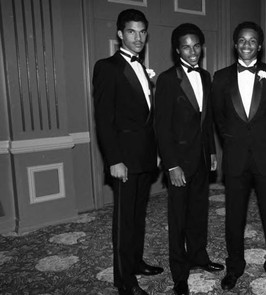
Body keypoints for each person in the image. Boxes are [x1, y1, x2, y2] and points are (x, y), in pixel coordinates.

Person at [211, 21, 266, 293]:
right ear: (234, 44)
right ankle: (234, 268)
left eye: (252, 40)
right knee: (234, 217)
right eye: (242, 40)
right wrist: (235, 141)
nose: (246, 45)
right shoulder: (220, 77)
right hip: (235, 159)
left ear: (260, 44)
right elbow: (218, 119)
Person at [92, 9, 163, 295]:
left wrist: (156, 152)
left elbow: (148, 118)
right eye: (131, 31)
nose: (138, 37)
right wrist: (115, 160)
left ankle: (135, 263)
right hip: (124, 159)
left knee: (138, 215)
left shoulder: (144, 68)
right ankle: (124, 281)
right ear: (120, 34)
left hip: (145, 156)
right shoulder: (107, 67)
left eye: (142, 31)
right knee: (123, 221)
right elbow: (104, 120)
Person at [154, 23, 224, 295]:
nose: (193, 51)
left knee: (199, 212)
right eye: (186, 46)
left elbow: (206, 121)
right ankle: (179, 273)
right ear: (177, 49)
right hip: (179, 162)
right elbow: (162, 126)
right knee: (178, 218)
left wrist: (212, 151)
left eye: (197, 46)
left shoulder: (206, 76)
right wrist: (171, 164)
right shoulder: (167, 79)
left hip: (201, 158)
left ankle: (199, 256)